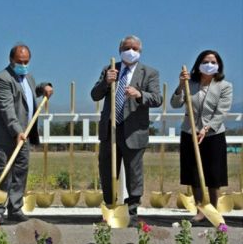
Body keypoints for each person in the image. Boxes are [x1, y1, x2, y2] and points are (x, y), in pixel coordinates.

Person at [90, 35, 162, 226]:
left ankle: (132, 211)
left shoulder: (150, 73)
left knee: (134, 171)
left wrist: (140, 95)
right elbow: (95, 95)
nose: (131, 51)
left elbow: (157, 98)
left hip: (134, 130)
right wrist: (106, 82)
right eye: (127, 47)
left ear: (140, 51)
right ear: (120, 49)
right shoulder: (110, 69)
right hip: (111, 129)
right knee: (107, 169)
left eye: (135, 48)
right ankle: (110, 206)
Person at [0, 44, 53, 224]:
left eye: (26, 62)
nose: (23, 65)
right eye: (19, 62)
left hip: (25, 134)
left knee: (20, 172)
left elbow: (30, 92)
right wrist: (17, 131)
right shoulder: (1, 79)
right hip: (6, 135)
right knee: (5, 171)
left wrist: (45, 87)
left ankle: (15, 208)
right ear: (11, 60)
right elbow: (6, 109)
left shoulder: (28, 77)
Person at [170, 49, 233, 223]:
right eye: (206, 61)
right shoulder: (190, 84)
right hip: (190, 132)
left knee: (213, 175)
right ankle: (200, 210)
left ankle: (213, 209)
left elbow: (222, 111)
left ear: (219, 65)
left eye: (213, 62)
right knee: (194, 174)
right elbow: (175, 104)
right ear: (198, 65)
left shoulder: (225, 86)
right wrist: (182, 85)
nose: (210, 64)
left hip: (213, 135)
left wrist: (207, 128)